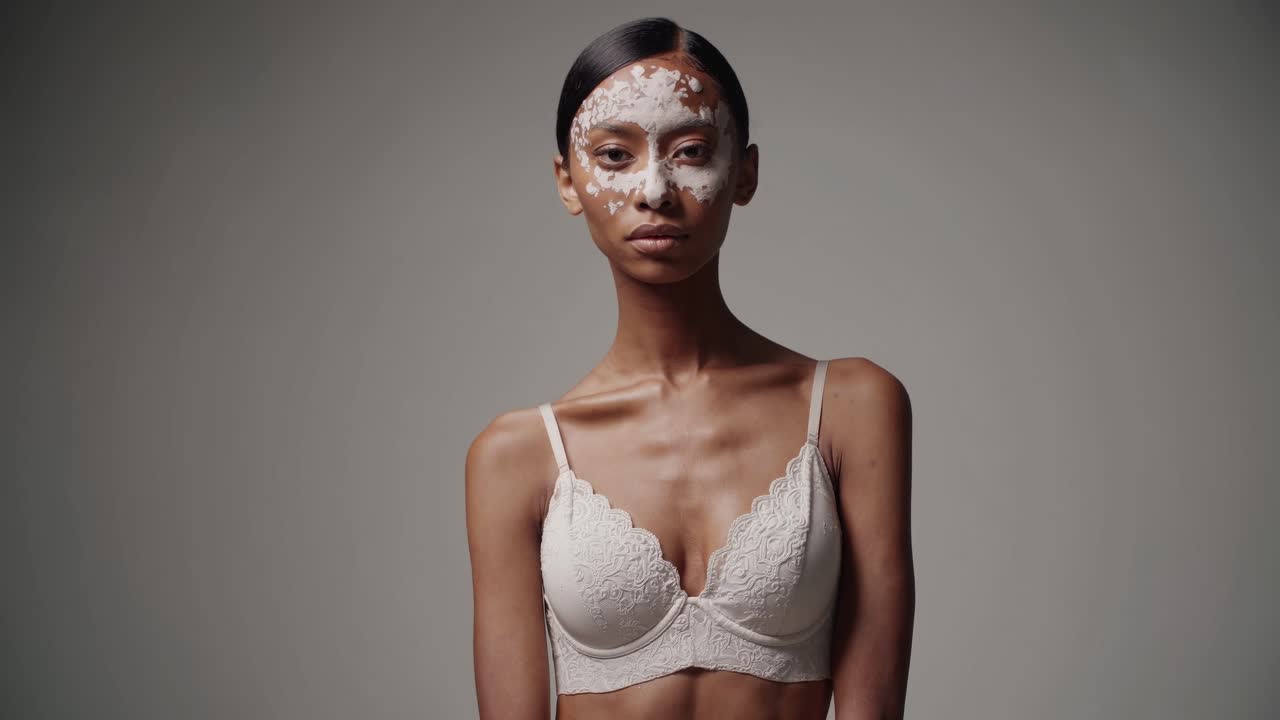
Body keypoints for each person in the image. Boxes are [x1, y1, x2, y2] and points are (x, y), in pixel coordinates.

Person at [466, 16, 914, 720]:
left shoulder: (851, 408)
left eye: (692, 150)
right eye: (615, 155)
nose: (655, 189)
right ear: (568, 181)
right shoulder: (515, 458)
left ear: (745, 172)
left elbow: (874, 705)